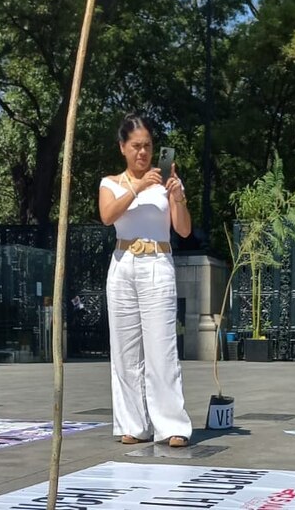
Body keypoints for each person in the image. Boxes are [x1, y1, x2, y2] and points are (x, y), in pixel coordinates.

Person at [97, 112, 193, 448]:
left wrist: (177, 195)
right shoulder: (110, 183)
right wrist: (137, 186)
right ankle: (133, 423)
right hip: (123, 264)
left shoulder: (164, 184)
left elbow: (183, 229)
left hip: (157, 262)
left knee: (161, 346)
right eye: (136, 146)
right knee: (124, 350)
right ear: (122, 147)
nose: (143, 153)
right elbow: (108, 216)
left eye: (148, 146)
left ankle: (171, 425)